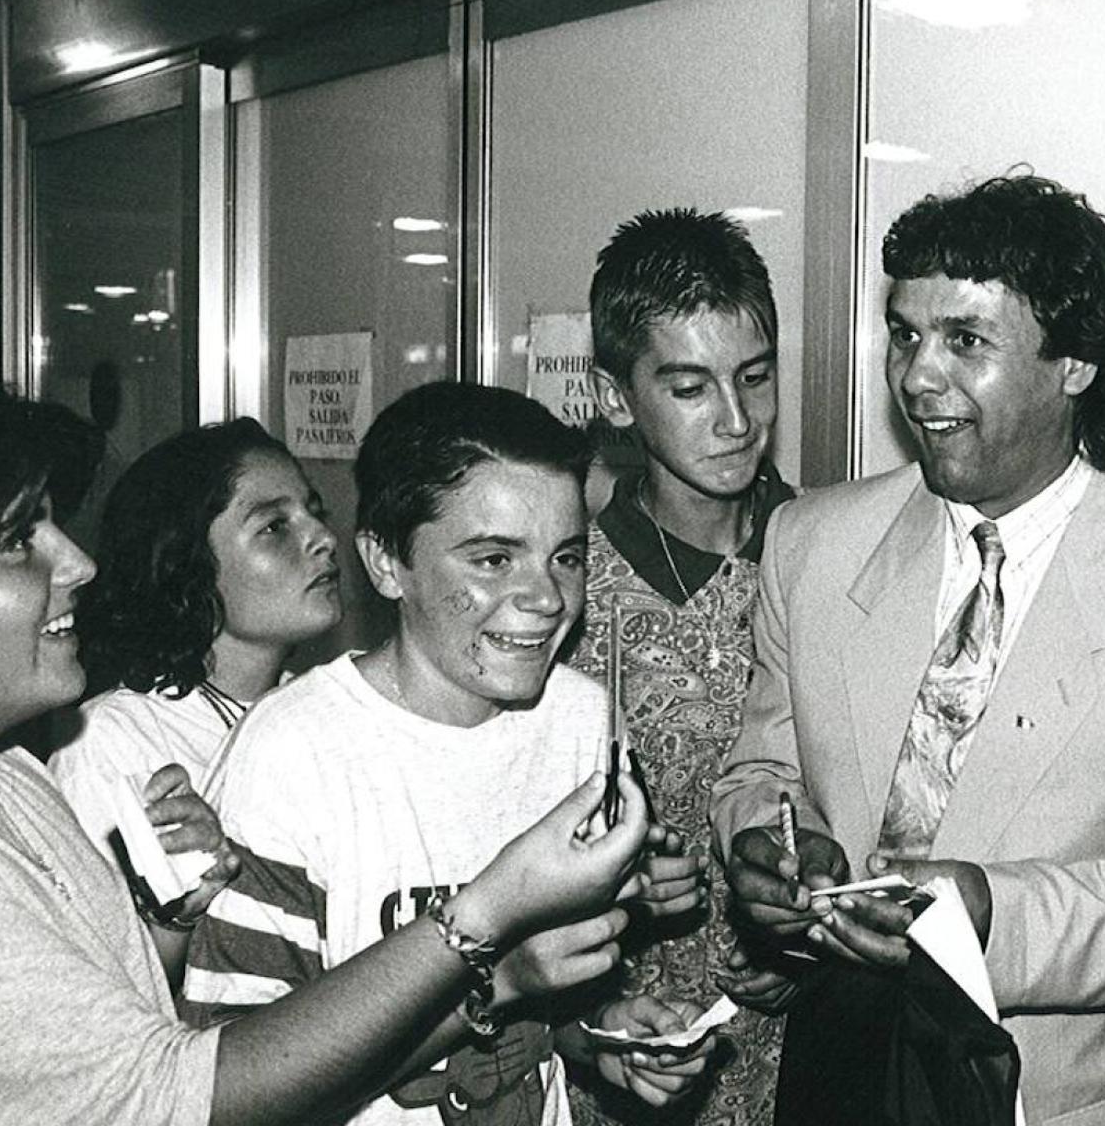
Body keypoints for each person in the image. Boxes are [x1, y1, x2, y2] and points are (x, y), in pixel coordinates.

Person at [713, 174, 1105, 1124]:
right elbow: (764, 763)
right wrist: (769, 844)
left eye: (966, 341)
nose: (917, 376)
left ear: (1073, 363)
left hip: (1049, 1089)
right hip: (834, 1061)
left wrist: (989, 910)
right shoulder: (811, 545)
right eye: (905, 334)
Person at [0, 375, 650, 1126]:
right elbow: (185, 1091)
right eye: (17, 542)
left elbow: (117, 1032)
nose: (79, 564)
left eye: (566, 557)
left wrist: (167, 922)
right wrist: (485, 936)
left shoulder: (9, 779)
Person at [184, 381, 714, 1126]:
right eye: (494, 560)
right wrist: (498, 982)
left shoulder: (582, 720)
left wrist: (600, 1038)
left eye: (566, 557)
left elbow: (543, 1009)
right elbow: (233, 1096)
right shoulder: (289, 755)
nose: (547, 598)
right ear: (384, 562)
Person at [564, 208, 796, 1126]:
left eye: (755, 377)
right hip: (612, 1057)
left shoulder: (829, 563)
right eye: (691, 387)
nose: (737, 421)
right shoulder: (564, 590)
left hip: (798, 1060)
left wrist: (799, 941)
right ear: (618, 396)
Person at [49, 420, 340, 927]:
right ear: (187, 565)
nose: (322, 538)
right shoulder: (112, 741)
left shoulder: (326, 711)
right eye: (275, 527)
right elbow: (101, 968)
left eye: (314, 513)